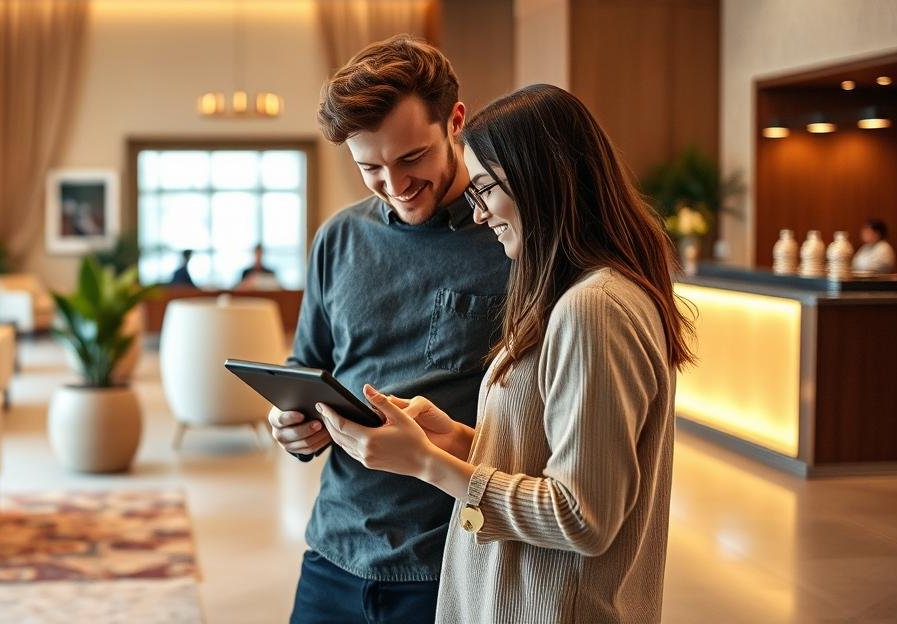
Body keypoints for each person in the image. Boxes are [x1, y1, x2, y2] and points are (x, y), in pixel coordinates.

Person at [315, 84, 694, 623]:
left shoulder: (594, 306)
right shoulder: (579, 295)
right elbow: (549, 460)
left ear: (544, 183)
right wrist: (458, 440)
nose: (479, 213)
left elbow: (582, 517)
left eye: (486, 190)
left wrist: (426, 463)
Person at [268, 36, 511, 624]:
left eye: (411, 159)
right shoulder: (339, 238)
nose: (395, 185)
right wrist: (292, 419)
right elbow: (310, 361)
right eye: (369, 167)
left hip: (451, 558)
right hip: (334, 550)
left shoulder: (510, 242)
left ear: (455, 122)